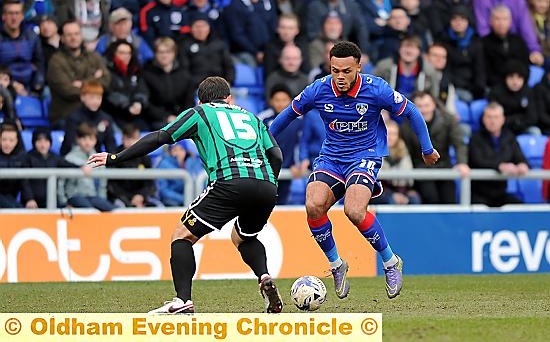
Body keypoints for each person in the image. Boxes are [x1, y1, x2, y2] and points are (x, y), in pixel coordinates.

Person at [87, 76, 284, 314]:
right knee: (244, 238)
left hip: (229, 181)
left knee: (182, 236)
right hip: (266, 185)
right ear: (229, 99)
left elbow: (160, 137)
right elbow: (277, 155)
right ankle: (264, 277)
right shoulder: (252, 117)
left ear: (200, 100)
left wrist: (115, 158)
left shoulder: (199, 113)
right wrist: (267, 184)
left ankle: (183, 301)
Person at [269, 41, 440, 300]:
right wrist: (264, 143)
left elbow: (412, 112)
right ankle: (337, 265)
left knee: (354, 210)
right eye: (335, 70)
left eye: (346, 71)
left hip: (365, 155)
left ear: (359, 67)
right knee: (314, 205)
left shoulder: (376, 89)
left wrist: (426, 148)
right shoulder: (319, 89)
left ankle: (391, 262)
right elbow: (288, 115)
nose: (340, 76)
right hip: (331, 157)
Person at [468, 102, 529, 207]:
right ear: (484, 119)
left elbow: (519, 157)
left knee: (520, 209)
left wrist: (523, 164)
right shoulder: (475, 138)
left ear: (503, 119)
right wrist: (500, 166)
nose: (493, 121)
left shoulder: (509, 137)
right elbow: (478, 161)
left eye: (496, 117)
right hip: (479, 194)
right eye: (489, 117)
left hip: (501, 194)